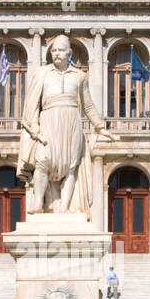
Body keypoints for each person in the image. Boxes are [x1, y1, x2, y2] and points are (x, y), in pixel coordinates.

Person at [17, 34, 116, 213]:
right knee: (42, 161)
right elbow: (32, 103)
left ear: (69, 53)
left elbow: (88, 105)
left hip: (71, 123)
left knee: (71, 166)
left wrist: (101, 127)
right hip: (48, 120)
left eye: (61, 50)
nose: (56, 54)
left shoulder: (79, 76)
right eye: (54, 50)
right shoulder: (42, 73)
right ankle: (39, 203)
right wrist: (34, 127)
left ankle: (64, 207)